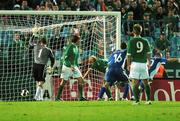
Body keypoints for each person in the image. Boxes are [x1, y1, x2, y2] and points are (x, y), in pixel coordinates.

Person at [56, 35, 87, 101]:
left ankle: (80, 97)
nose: (80, 41)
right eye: (79, 40)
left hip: (74, 66)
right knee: (64, 81)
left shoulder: (76, 47)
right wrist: (70, 65)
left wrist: (77, 67)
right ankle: (57, 98)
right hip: (67, 66)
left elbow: (75, 59)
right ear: (76, 40)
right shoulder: (70, 46)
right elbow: (65, 58)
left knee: (81, 80)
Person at [127, 24, 152, 105]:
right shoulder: (145, 41)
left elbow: (129, 55)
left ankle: (137, 101)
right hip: (144, 64)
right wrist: (149, 62)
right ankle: (148, 100)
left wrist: (128, 64)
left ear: (134, 31)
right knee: (146, 82)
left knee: (135, 83)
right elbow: (148, 53)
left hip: (135, 64)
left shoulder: (131, 41)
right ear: (141, 31)